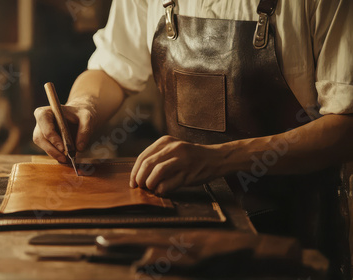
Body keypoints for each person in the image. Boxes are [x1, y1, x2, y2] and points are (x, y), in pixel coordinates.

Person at [33, 0, 352, 277]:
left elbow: (345, 125)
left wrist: (217, 159)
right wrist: (82, 106)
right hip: (183, 225)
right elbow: (111, 70)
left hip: (291, 233)